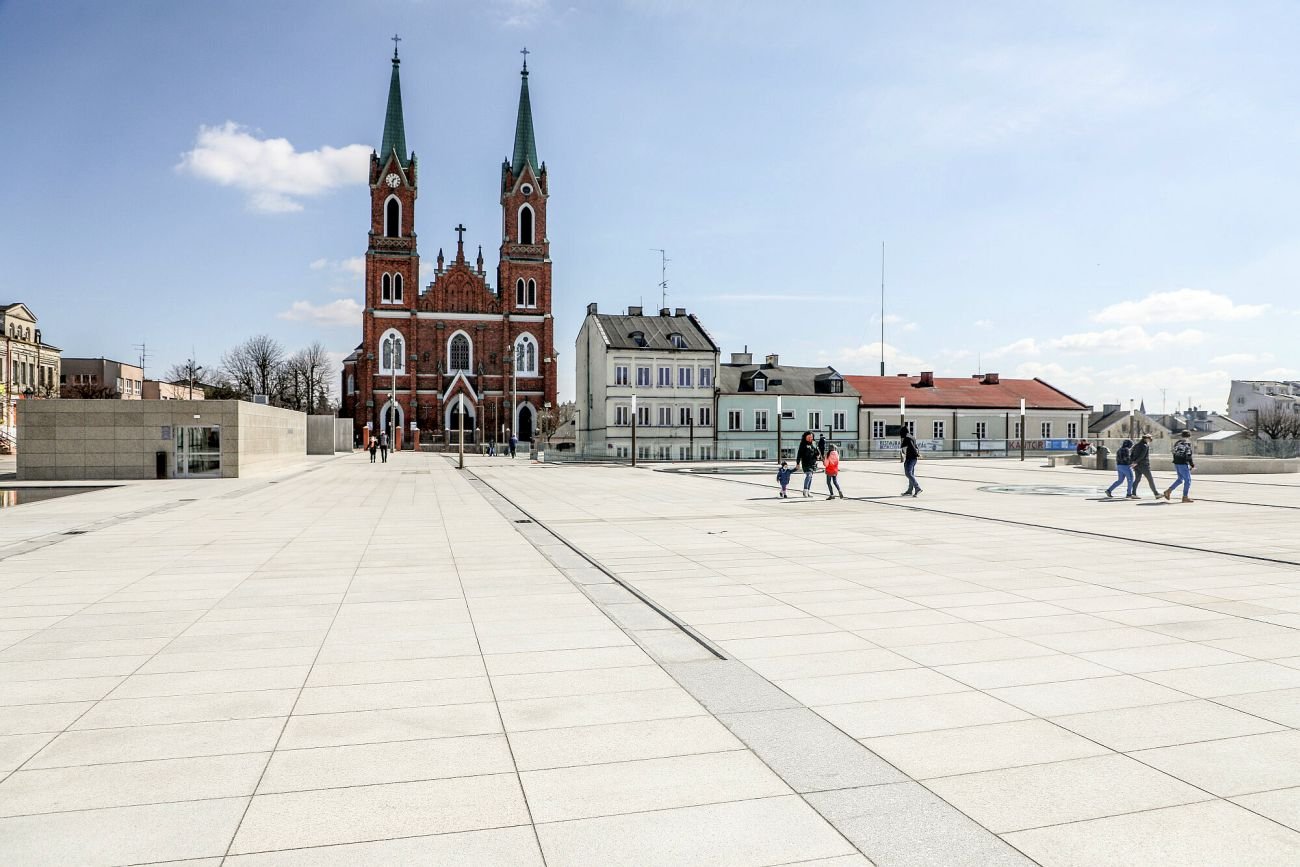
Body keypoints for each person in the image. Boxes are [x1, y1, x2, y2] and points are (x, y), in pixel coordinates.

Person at [1164, 431, 1196, 502]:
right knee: (1188, 481)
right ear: (1189, 436)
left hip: (1176, 463)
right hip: (1183, 464)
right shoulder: (1187, 444)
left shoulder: (1177, 443)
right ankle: (1185, 497)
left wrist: (1176, 460)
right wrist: (1192, 465)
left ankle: (1168, 491)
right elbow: (1188, 456)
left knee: (1180, 479)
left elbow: (1173, 452)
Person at [1128, 434, 1159, 498]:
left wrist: (1133, 462)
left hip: (1136, 465)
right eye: (1150, 438)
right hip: (1143, 465)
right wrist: (1136, 462)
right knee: (1150, 479)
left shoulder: (1136, 445)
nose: (1150, 440)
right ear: (1146, 439)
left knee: (1137, 479)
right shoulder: (1145, 446)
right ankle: (1156, 494)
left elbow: (1132, 454)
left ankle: (1133, 494)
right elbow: (1142, 456)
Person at [795, 431, 820, 498]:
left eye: (811, 437)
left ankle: (808, 491)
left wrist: (818, 455)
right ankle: (805, 490)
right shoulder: (803, 444)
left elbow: (817, 451)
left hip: (813, 463)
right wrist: (797, 463)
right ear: (805, 437)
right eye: (809, 437)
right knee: (809, 475)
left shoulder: (814, 443)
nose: (810, 438)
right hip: (805, 462)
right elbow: (799, 454)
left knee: (811, 476)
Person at [900, 426, 922, 496]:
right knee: (911, 474)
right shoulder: (912, 437)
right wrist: (917, 454)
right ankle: (910, 490)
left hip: (910, 458)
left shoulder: (907, 438)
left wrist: (917, 454)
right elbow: (916, 447)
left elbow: (912, 447)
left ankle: (917, 488)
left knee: (908, 473)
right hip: (913, 458)